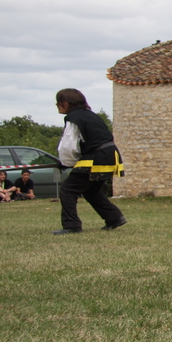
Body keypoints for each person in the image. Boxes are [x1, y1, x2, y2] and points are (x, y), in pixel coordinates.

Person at [53, 88, 127, 234]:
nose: (57, 106)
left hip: (96, 157)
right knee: (91, 190)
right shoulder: (92, 115)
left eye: (58, 103)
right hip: (110, 154)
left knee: (68, 189)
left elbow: (69, 146)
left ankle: (71, 226)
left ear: (65, 103)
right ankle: (114, 217)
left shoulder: (73, 118)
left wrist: (65, 162)